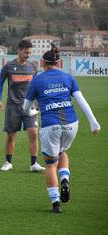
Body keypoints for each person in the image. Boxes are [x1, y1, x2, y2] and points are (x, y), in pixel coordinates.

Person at [23, 44, 100, 213]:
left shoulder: (37, 80)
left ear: (42, 63)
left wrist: (33, 111)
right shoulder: (68, 77)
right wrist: (94, 122)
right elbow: (81, 101)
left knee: (50, 165)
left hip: (51, 125)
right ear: (59, 63)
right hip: (72, 123)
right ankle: (64, 177)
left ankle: (55, 203)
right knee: (62, 151)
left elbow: (25, 107)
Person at [0, 40, 45, 172]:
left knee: (34, 133)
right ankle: (8, 162)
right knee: (11, 136)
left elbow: (37, 86)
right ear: (19, 50)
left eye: (30, 52)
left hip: (31, 106)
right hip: (13, 106)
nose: (28, 55)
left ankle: (34, 163)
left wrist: (40, 102)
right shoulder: (8, 66)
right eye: (26, 52)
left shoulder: (33, 67)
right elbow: (0, 83)